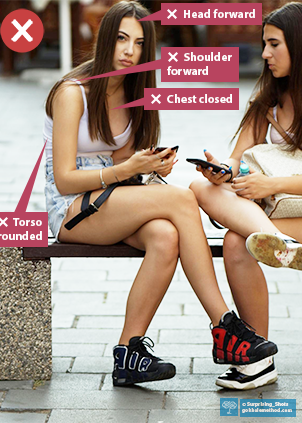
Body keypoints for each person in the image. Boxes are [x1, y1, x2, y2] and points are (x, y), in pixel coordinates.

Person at [44, 0, 277, 387]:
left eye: (137, 43)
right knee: (183, 198)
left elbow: (122, 161)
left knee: (166, 235)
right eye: (120, 39)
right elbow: (65, 179)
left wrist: (148, 166)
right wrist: (127, 169)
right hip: (69, 208)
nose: (128, 51)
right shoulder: (73, 93)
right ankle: (225, 327)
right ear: (105, 40)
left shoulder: (135, 95)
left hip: (110, 203)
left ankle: (128, 353)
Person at [190, 1, 302, 390]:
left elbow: (267, 184)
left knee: (243, 236)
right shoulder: (265, 104)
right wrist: (221, 172)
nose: (265, 54)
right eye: (264, 44)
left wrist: (271, 186)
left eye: (274, 44)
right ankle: (259, 360)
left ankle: (281, 243)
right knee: (202, 192)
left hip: (292, 210)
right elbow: (237, 162)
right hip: (274, 218)